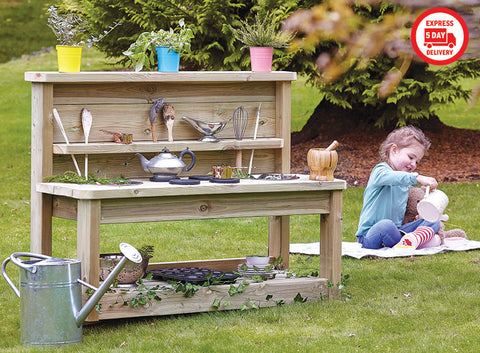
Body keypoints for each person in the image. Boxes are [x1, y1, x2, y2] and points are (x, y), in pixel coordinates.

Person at [355, 126, 441, 249]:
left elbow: (409, 203)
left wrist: (421, 212)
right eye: (411, 157)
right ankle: (416, 242)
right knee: (386, 225)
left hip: (397, 232)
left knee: (433, 221)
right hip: (370, 235)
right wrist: (417, 178)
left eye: (417, 162)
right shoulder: (380, 172)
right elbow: (395, 178)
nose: (413, 164)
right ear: (394, 150)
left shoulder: (406, 183)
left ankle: (412, 240)